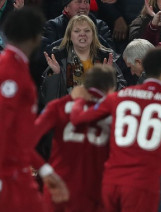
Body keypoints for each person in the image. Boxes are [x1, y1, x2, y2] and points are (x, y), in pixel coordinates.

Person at [0, 7, 69, 212]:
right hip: (5, 174)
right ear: (35, 38)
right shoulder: (12, 73)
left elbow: (15, 135)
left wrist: (45, 170)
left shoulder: (3, 63)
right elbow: (0, 128)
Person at [70, 47, 161, 211]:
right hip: (143, 187)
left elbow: (78, 119)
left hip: (110, 183)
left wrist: (78, 100)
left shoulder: (119, 96)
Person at [34, 65, 116, 212]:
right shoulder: (114, 112)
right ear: (111, 89)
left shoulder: (58, 105)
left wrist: (45, 171)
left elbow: (25, 142)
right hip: (94, 191)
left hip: (58, 186)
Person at [41, 14, 122, 105]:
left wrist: (109, 76)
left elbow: (120, 94)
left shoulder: (106, 58)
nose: (82, 34)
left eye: (87, 31)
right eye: (77, 31)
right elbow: (48, 100)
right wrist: (55, 75)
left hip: (100, 112)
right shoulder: (58, 59)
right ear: (69, 36)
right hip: (68, 114)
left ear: (93, 35)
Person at [41, 0, 113, 52]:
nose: (83, 6)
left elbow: (112, 55)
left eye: (86, 2)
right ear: (66, 8)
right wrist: (70, 39)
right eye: (79, 2)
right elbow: (44, 55)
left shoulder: (100, 25)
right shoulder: (53, 26)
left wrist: (93, 37)